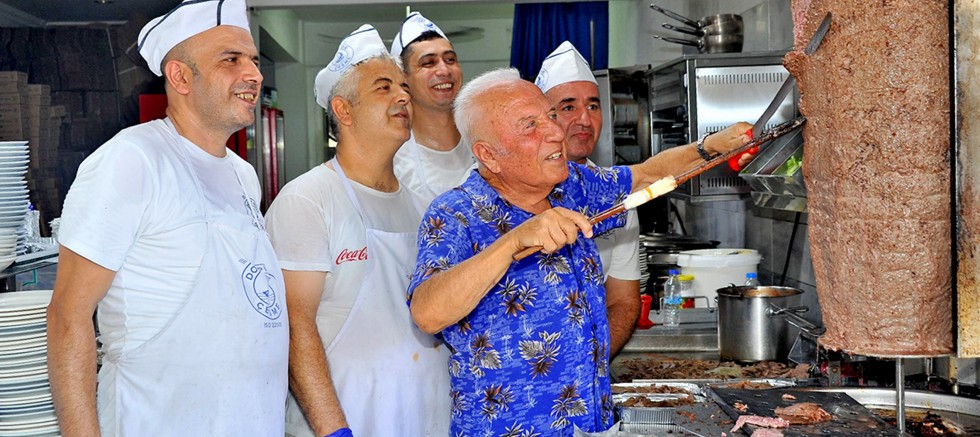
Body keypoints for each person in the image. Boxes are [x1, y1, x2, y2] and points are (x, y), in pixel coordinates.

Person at [407, 68, 753, 435]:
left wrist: (710, 147)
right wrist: (512, 242)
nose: (556, 132)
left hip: (594, 424)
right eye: (530, 125)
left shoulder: (572, 185)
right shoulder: (455, 213)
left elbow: (647, 176)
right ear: (489, 155)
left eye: (550, 116)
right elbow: (427, 313)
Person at [46, 0, 288, 435]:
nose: (253, 74)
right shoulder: (132, 160)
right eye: (230, 59)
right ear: (179, 77)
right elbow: (68, 316)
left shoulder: (243, 175)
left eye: (252, 60)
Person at [264, 24, 451, 437]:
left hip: (429, 417)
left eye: (404, 86)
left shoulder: (423, 209)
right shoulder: (309, 200)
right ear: (343, 111)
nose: (404, 96)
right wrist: (334, 431)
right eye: (384, 88)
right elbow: (296, 327)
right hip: (348, 421)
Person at [536, 41, 641, 357]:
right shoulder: (517, 188)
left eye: (593, 106)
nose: (584, 119)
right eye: (568, 107)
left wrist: (589, 360)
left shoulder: (616, 196)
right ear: (542, 116)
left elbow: (623, 300)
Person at [390, 12, 475, 205]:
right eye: (428, 63)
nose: (444, 70)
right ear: (404, 78)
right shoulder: (392, 160)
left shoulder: (486, 138)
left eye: (450, 59)